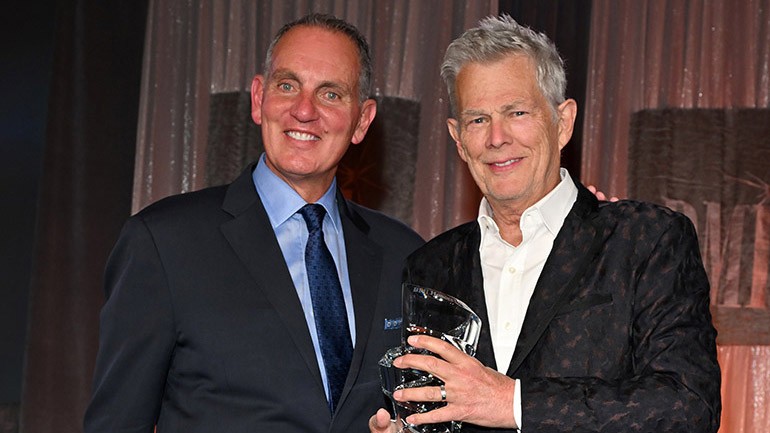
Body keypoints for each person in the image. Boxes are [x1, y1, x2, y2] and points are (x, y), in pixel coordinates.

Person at [370, 15, 720, 433]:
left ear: (564, 122)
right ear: (459, 139)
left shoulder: (647, 239)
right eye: (478, 119)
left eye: (517, 112)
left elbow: (688, 406)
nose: (497, 137)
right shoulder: (430, 266)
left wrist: (511, 402)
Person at [84, 13, 425, 433]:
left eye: (331, 94)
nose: (304, 110)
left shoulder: (405, 255)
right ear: (259, 98)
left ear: (362, 120)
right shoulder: (163, 242)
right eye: (287, 86)